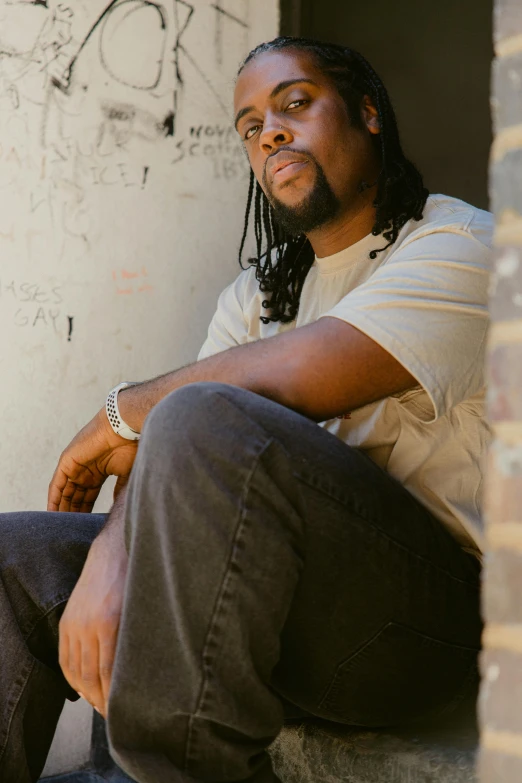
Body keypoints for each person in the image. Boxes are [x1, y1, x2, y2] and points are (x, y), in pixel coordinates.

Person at [0, 36, 491, 783]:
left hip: (433, 629)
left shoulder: (460, 245)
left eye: (295, 103)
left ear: (367, 114)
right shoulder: (260, 293)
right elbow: (170, 453)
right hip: (283, 603)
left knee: (205, 415)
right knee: (17, 557)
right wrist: (110, 553)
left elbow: (264, 389)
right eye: (252, 127)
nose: (271, 135)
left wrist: (119, 411)